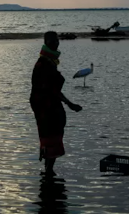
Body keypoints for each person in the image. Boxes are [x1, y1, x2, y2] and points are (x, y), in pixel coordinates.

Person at [30, 31, 83, 176]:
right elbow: (51, 90)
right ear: (46, 43)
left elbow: (52, 89)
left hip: (48, 104)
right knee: (50, 136)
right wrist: (70, 104)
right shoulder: (43, 65)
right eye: (53, 41)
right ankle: (48, 170)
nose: (57, 43)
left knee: (52, 136)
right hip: (45, 106)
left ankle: (48, 174)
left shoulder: (48, 62)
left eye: (57, 40)